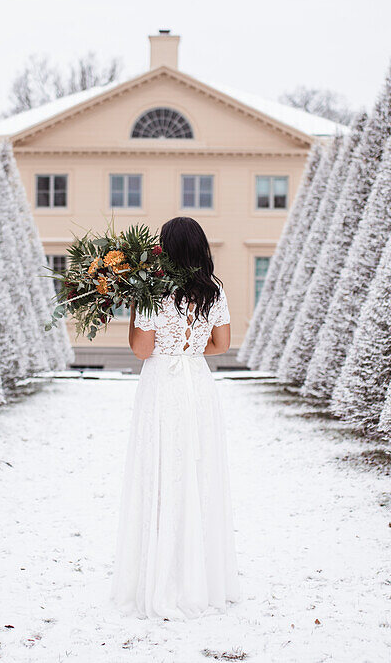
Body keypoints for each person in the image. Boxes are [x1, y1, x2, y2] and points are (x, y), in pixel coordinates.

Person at [110, 216, 240, 620]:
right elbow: (221, 345)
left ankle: (160, 577)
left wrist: (134, 309)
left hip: (162, 388)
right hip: (197, 383)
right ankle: (201, 579)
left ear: (165, 248)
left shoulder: (151, 292)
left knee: (161, 473)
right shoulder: (213, 290)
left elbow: (141, 350)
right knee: (199, 474)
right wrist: (191, 349)